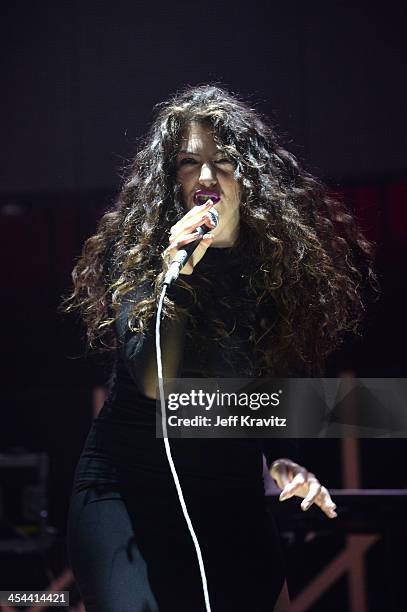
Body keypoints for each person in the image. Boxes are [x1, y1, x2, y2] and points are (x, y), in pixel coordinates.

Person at [62, 85, 374, 611]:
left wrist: (281, 459)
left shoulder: (276, 267)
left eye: (223, 161)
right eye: (189, 163)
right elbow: (155, 380)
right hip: (129, 489)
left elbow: (270, 387)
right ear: (171, 178)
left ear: (249, 174)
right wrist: (176, 269)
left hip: (230, 488)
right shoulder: (144, 254)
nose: (206, 178)